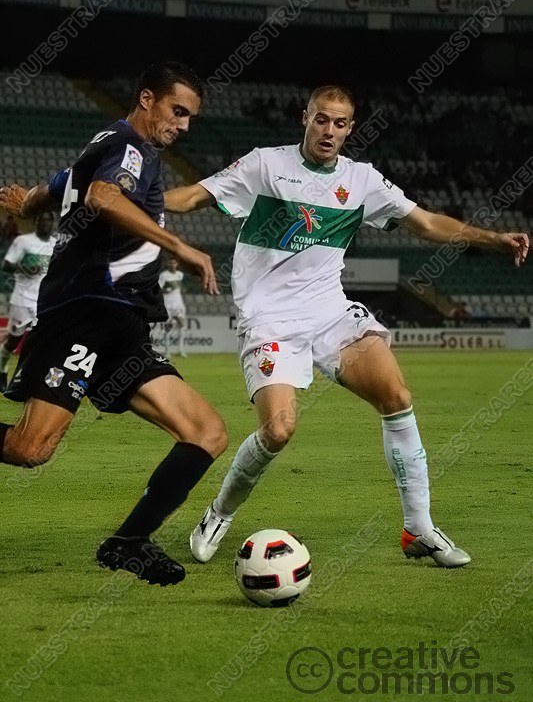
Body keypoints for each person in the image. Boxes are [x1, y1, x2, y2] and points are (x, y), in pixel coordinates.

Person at [163, 84, 529, 569]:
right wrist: (132, 207)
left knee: (396, 396)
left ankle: (418, 527)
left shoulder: (362, 180)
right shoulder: (265, 165)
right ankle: (219, 512)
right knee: (278, 430)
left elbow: (426, 223)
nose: (329, 131)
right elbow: (192, 196)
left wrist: (494, 239)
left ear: (350, 128)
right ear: (305, 118)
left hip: (330, 312)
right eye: (321, 119)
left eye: (339, 123)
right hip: (270, 318)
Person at [0, 61, 228, 586]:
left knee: (207, 432)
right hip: (86, 314)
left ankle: (128, 543)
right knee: (29, 449)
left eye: (190, 118)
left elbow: (58, 187)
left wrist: (28, 200)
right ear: (147, 98)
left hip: (122, 325)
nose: (183, 125)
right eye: (177, 111)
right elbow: (102, 197)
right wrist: (179, 246)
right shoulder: (130, 148)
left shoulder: (104, 146)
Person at [0, 211, 56, 393]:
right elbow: (7, 264)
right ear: (35, 222)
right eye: (40, 220)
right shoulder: (23, 242)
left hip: (44, 301)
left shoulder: (55, 244)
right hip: (22, 299)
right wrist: (25, 268)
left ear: (52, 223)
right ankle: (2, 371)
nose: (44, 223)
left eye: (47, 220)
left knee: (40, 342)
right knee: (13, 341)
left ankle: (27, 380)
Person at [157, 256, 188, 358]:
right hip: (168, 305)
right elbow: (158, 289)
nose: (172, 265)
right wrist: (166, 290)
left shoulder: (180, 275)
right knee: (168, 328)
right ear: (167, 264)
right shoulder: (164, 275)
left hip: (179, 305)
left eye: (174, 263)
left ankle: (181, 350)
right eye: (170, 263)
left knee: (182, 326)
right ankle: (167, 352)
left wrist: (182, 289)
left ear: (177, 264)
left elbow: (179, 287)